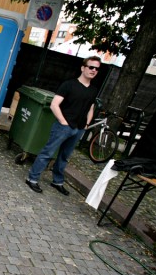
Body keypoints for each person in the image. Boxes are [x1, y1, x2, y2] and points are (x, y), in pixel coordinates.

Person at [25, 56, 101, 195]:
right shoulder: (69, 85)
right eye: (91, 67)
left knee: (64, 157)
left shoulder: (93, 90)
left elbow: (91, 107)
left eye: (96, 68)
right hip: (63, 127)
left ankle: (57, 181)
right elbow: (54, 104)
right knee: (47, 153)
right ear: (83, 68)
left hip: (79, 128)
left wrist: (87, 124)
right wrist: (63, 121)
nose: (94, 70)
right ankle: (32, 179)